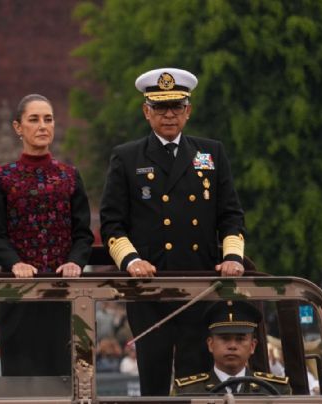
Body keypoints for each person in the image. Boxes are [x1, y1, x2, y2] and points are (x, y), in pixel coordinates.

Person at [100, 67, 246, 395]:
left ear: (188, 111)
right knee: (153, 378)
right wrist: (131, 260)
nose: (169, 115)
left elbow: (231, 215)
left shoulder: (210, 153)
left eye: (176, 107)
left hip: (199, 285)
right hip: (150, 288)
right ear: (146, 112)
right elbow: (112, 223)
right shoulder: (127, 157)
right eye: (161, 108)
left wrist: (233, 256)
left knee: (196, 380)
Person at [0, 94, 94, 375]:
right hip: (19, 293)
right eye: (34, 119)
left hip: (64, 290)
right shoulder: (3, 177)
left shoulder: (70, 176)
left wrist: (75, 262)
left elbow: (83, 233)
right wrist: (14, 263)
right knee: (22, 380)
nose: (43, 126)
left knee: (65, 376)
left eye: (48, 119)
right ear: (18, 127)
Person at [173, 301, 291, 395]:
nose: (232, 346)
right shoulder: (187, 391)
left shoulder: (275, 390)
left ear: (252, 346)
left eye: (240, 339)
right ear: (210, 344)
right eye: (224, 338)